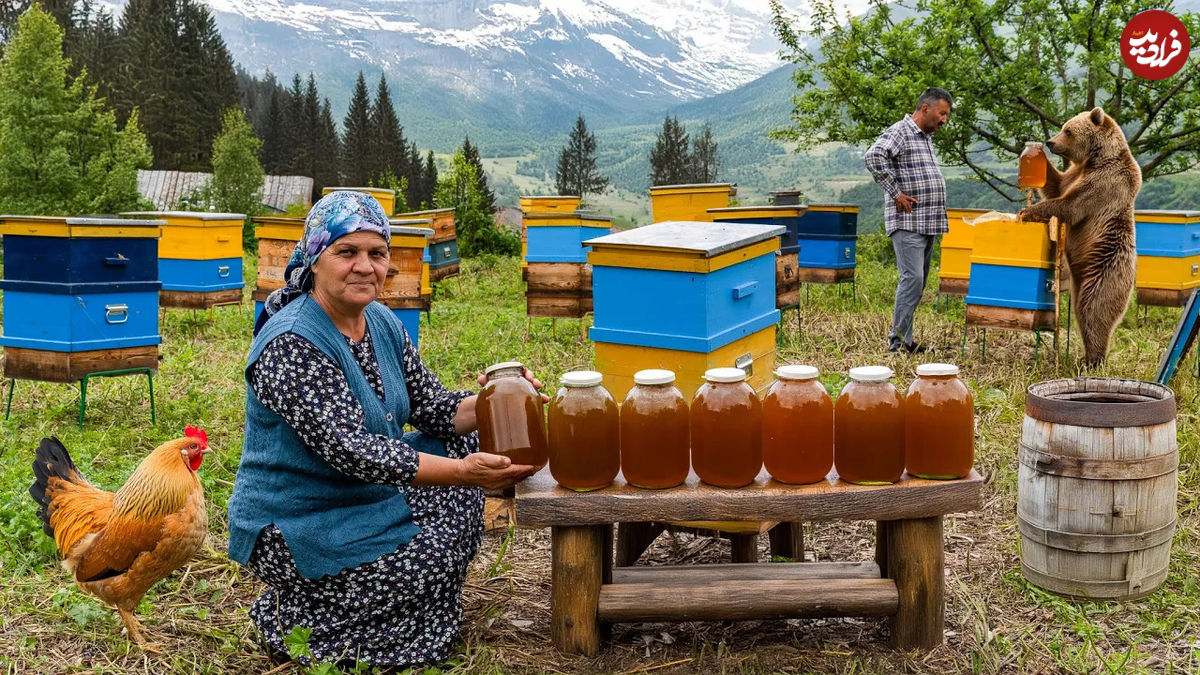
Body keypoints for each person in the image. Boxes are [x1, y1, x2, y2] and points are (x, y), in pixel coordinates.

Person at [227, 191, 540, 669]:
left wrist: (507, 396)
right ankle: (300, 625)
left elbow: (434, 408)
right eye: (347, 252)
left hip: (364, 497)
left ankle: (379, 611)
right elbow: (357, 453)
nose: (364, 267)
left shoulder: (380, 321)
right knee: (433, 557)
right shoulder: (292, 343)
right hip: (298, 521)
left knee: (469, 441)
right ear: (315, 259)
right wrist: (464, 474)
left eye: (377, 253)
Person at [864, 87, 953, 353]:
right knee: (912, 278)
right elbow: (874, 156)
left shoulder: (924, 137)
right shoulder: (901, 131)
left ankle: (906, 339)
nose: (944, 120)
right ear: (925, 109)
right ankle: (898, 343)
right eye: (942, 113)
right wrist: (896, 192)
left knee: (918, 281)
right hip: (908, 222)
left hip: (926, 222)